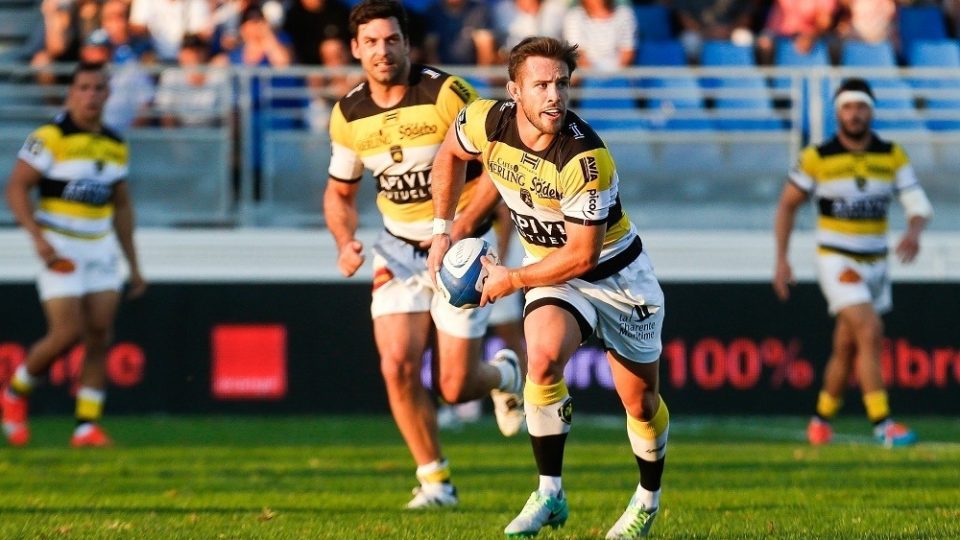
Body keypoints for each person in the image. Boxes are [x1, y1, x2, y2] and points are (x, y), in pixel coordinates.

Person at [428, 36, 669, 538]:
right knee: (541, 359)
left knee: (640, 404)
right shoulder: (484, 119)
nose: (555, 95)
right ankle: (550, 493)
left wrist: (509, 280)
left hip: (618, 279)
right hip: (552, 274)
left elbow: (582, 255)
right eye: (541, 85)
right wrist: (442, 229)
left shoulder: (585, 158)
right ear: (514, 90)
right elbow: (450, 154)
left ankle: (647, 498)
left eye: (562, 83)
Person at [322, 0, 524, 509]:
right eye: (371, 42)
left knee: (455, 388)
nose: (382, 50)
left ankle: (503, 373)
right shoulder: (348, 114)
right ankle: (436, 482)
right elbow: (339, 193)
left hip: (460, 246)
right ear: (355, 49)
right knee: (397, 368)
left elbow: (501, 165)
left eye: (392, 40)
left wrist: (457, 226)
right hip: (397, 248)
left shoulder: (446, 93)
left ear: (407, 44)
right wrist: (344, 240)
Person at [773, 78, 932, 447]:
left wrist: (914, 230)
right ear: (838, 113)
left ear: (871, 111)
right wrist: (782, 260)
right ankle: (883, 424)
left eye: (861, 107)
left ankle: (820, 419)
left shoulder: (891, 155)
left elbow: (916, 203)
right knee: (871, 330)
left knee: (847, 345)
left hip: (877, 262)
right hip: (838, 259)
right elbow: (787, 205)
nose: (855, 114)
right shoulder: (817, 157)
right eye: (848, 107)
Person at [2, 62, 147, 448]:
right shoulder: (49, 137)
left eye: (99, 88)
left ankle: (86, 426)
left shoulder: (115, 144)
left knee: (99, 334)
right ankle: (14, 394)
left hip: (100, 249)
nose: (91, 95)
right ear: (72, 92)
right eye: (84, 87)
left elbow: (121, 207)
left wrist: (134, 264)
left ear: (107, 95)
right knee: (66, 333)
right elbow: (16, 188)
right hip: (60, 247)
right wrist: (37, 237)